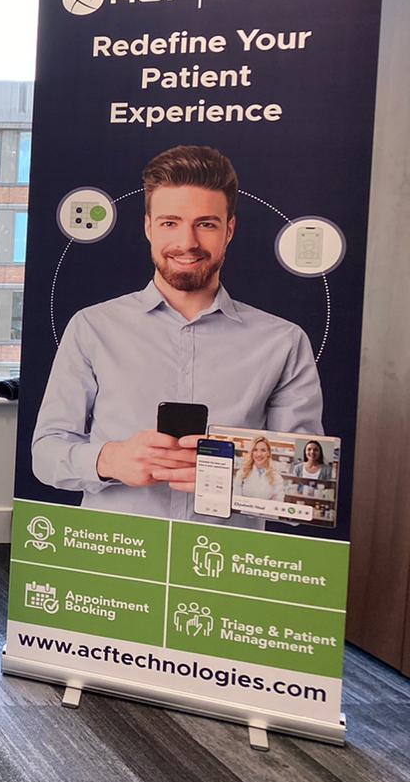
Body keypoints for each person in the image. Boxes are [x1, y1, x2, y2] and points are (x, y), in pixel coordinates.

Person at [31, 144, 322, 523]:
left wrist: (234, 478)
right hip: (113, 556)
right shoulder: (92, 327)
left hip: (227, 565)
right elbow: (46, 453)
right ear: (148, 227)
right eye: (170, 223)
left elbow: (305, 493)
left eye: (206, 224)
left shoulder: (283, 342)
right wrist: (108, 460)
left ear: (229, 230)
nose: (187, 242)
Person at [235, 435, 287, 502]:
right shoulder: (242, 473)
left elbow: (278, 502)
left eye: (263, 450)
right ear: (251, 452)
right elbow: (236, 499)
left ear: (268, 453)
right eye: (255, 450)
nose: (259, 454)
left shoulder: (277, 478)